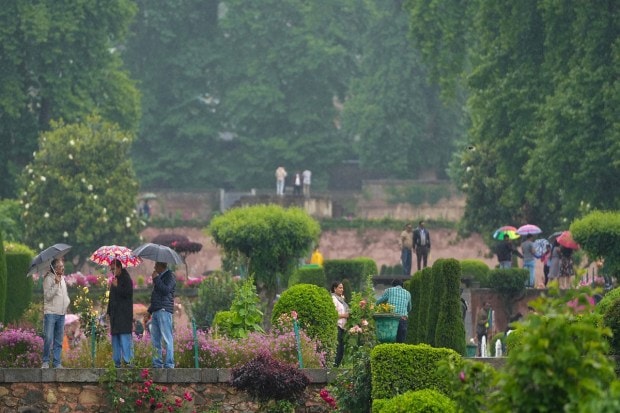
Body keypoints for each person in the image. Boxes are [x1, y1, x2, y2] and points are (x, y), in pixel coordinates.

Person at [147, 261, 176, 368]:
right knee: (155, 339)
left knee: (167, 338)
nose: (154, 267)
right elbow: (156, 297)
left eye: (156, 265)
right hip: (156, 310)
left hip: (164, 310)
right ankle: (157, 363)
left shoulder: (170, 276)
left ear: (161, 266)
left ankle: (169, 364)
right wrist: (149, 311)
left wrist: (155, 279)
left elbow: (166, 290)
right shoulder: (160, 277)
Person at [42, 258, 70, 368]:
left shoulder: (62, 279)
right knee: (48, 338)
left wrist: (66, 305)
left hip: (61, 314)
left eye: (62, 266)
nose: (62, 268)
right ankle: (45, 361)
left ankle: (57, 362)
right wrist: (55, 284)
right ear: (54, 268)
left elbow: (64, 296)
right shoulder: (48, 279)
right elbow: (48, 297)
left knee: (58, 340)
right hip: (51, 313)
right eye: (60, 266)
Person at [107, 259, 134, 368]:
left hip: (124, 316)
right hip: (115, 316)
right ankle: (116, 362)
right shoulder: (115, 279)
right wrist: (108, 312)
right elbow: (111, 298)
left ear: (119, 267)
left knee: (125, 339)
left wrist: (117, 286)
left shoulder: (126, 279)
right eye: (111, 270)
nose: (112, 271)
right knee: (116, 341)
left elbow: (127, 294)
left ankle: (128, 362)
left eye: (113, 269)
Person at [376, 279, 412, 343]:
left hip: (391, 319)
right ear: (402, 286)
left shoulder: (389, 290)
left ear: (393, 285)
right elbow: (409, 308)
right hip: (403, 319)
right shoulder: (408, 294)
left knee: (388, 341)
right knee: (400, 342)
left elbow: (379, 302)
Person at [330, 282, 349, 367]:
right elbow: (332, 314)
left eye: (342, 288)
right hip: (337, 326)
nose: (342, 289)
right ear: (335, 288)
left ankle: (336, 369)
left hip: (343, 327)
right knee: (338, 349)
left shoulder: (340, 299)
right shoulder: (333, 298)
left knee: (341, 350)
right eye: (340, 288)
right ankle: (333, 368)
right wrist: (344, 315)